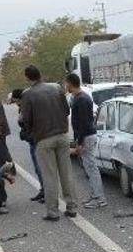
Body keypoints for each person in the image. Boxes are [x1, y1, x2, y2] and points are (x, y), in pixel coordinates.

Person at [20, 65, 78, 221]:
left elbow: (26, 120)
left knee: (49, 176)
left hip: (44, 138)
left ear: (27, 77)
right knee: (66, 173)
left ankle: (52, 211)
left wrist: (31, 130)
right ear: (40, 75)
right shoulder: (57, 88)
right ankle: (71, 207)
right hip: (62, 135)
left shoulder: (28, 94)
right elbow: (66, 110)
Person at [66, 73, 106, 208]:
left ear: (71, 83)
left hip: (87, 137)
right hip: (87, 136)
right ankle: (95, 195)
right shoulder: (80, 97)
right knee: (89, 168)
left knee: (91, 168)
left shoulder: (81, 99)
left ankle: (99, 199)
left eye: (67, 84)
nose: (66, 86)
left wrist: (80, 142)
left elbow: (83, 123)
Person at [12, 89, 44, 202]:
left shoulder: (29, 107)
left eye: (16, 101)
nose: (16, 103)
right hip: (31, 140)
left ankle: (47, 191)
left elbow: (32, 124)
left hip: (36, 140)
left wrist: (27, 134)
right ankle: (43, 189)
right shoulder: (22, 108)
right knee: (37, 168)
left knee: (41, 168)